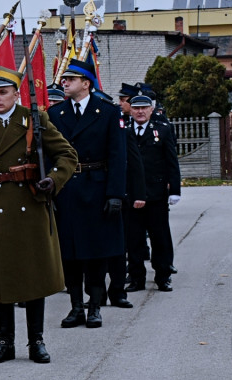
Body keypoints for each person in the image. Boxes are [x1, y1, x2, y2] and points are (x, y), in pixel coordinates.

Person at [0, 66, 77, 364]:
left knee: (32, 276)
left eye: (3, 93)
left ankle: (36, 340)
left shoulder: (34, 121)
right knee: (0, 279)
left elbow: (67, 155)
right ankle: (5, 342)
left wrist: (53, 179)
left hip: (30, 206)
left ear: (16, 93)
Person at [49, 59, 129, 329]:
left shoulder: (107, 112)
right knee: (70, 253)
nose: (65, 82)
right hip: (66, 188)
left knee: (97, 252)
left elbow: (118, 156)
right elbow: (48, 155)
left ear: (86, 83)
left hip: (97, 186)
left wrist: (115, 193)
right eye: (64, 79)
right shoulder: (56, 114)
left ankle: (95, 306)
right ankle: (76, 307)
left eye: (71, 79)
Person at [126, 91, 180, 292]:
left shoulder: (163, 130)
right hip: (131, 193)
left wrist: (175, 189)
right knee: (134, 238)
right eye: (136, 108)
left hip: (156, 193)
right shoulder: (124, 130)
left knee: (160, 236)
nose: (140, 112)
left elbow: (171, 162)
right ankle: (137, 277)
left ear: (151, 110)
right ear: (131, 110)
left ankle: (163, 276)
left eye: (144, 108)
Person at [106, 82, 147, 305]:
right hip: (98, 194)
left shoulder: (122, 128)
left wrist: (138, 194)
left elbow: (135, 164)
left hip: (123, 195)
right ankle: (97, 294)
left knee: (122, 245)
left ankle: (118, 289)